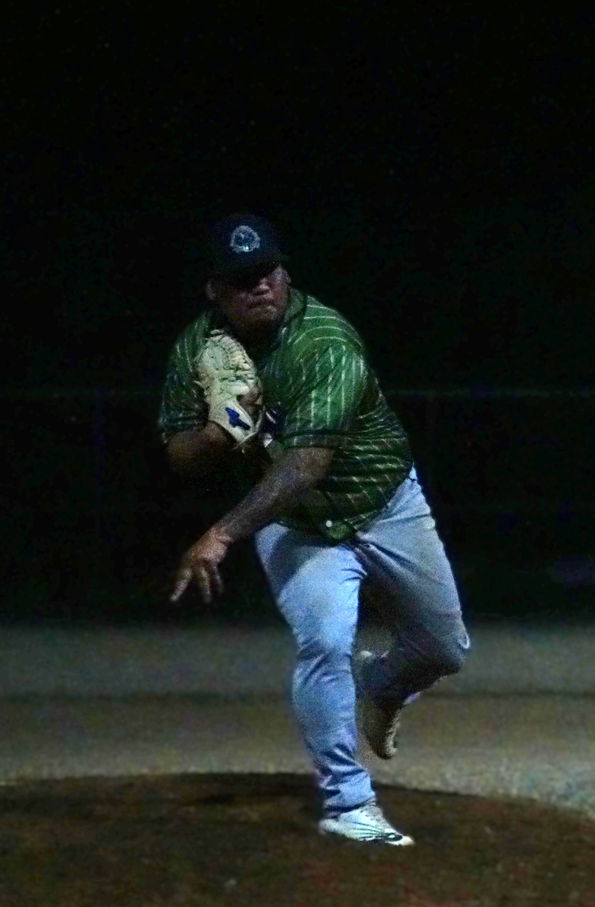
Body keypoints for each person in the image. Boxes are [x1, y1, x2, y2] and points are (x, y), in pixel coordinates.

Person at [158, 213, 470, 846]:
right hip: (297, 526)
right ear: (213, 290)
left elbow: (308, 463)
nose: (259, 287)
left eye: (267, 272)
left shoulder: (324, 341)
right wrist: (219, 433)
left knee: (444, 649)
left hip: (384, 504)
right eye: (240, 279)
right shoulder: (197, 348)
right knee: (324, 643)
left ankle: (379, 688)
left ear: (285, 273)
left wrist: (221, 534)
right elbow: (177, 453)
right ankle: (348, 802)